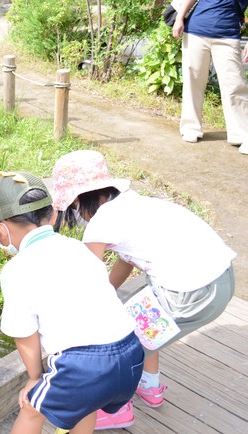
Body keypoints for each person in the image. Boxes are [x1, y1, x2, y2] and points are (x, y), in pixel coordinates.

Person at [51, 149, 237, 430]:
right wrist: (110, 292)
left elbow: (87, 280)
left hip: (193, 291)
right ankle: (149, 386)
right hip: (220, 278)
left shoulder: (99, 225)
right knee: (142, 319)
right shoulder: (130, 204)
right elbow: (124, 264)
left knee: (123, 339)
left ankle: (118, 409)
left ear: (77, 199)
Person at [0, 171, 144, 434]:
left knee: (33, 409)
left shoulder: (16, 270)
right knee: (87, 402)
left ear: (0, 229)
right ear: (53, 215)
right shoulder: (80, 249)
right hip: (132, 352)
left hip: (86, 364)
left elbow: (24, 335)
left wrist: (34, 378)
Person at [173, 0, 248, 154]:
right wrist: (179, 18)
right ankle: (191, 127)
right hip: (195, 30)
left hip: (228, 34)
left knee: (235, 85)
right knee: (193, 81)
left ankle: (241, 133)